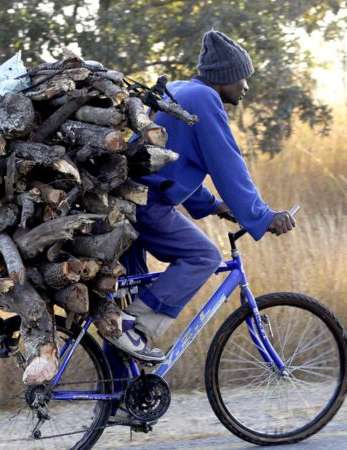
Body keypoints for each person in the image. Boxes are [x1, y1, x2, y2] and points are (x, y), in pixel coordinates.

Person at [102, 30, 297, 365]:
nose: (245, 87)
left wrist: (214, 206)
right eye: (242, 78)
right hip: (146, 203)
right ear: (224, 78)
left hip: (125, 199)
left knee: (127, 302)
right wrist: (263, 216)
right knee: (203, 256)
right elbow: (227, 164)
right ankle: (137, 328)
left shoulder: (182, 90)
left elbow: (177, 161)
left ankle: (117, 399)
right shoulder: (203, 100)